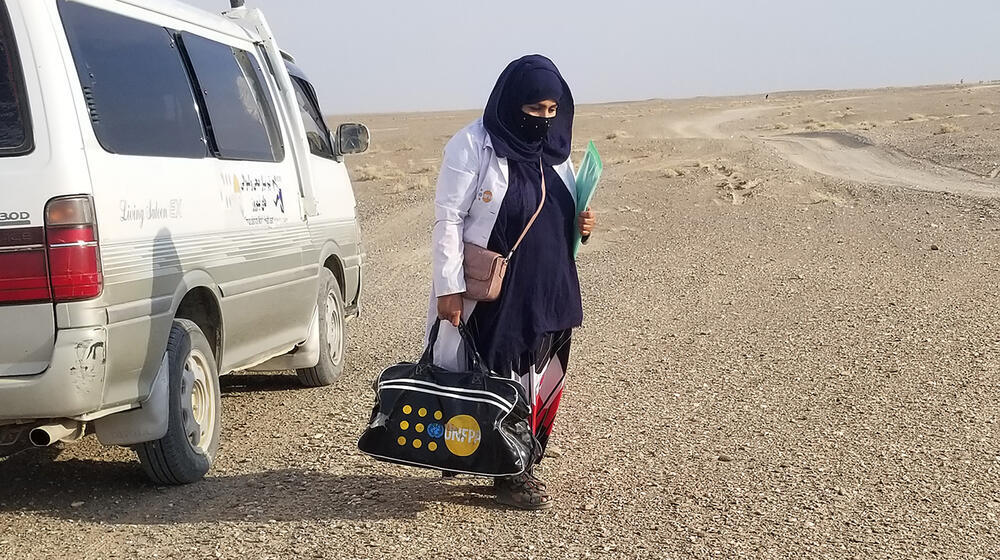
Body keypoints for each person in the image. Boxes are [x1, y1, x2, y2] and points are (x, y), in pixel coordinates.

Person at [426, 55, 596, 510]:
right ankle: (508, 470)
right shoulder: (472, 145)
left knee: (544, 374)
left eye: (551, 110)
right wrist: (447, 287)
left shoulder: (558, 154)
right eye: (534, 109)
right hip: (500, 292)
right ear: (511, 101)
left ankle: (527, 453)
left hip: (552, 286)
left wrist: (583, 225)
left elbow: (557, 211)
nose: (543, 120)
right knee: (502, 372)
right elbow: (448, 220)